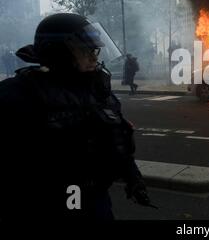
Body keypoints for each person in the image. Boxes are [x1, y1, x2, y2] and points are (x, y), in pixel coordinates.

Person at [0, 13, 154, 221]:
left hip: (95, 198)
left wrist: (132, 176)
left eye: (95, 50)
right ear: (58, 53)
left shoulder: (98, 89)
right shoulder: (18, 94)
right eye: (85, 50)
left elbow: (117, 135)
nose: (94, 57)